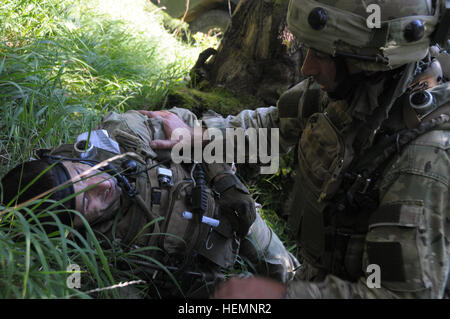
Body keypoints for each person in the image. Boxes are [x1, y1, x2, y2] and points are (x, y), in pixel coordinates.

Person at [146, 0, 450, 298]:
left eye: (319, 55)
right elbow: (275, 125)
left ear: (367, 63)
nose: (307, 68)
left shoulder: (424, 158)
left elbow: (400, 294)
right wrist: (201, 136)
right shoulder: (356, 91)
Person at [1, 107, 299, 298]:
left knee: (288, 275)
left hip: (227, 206)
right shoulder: (89, 261)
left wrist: (225, 179)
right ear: (76, 228)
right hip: (202, 277)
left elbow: (192, 130)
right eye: (87, 202)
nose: (101, 185)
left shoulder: (128, 136)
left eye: (83, 174)